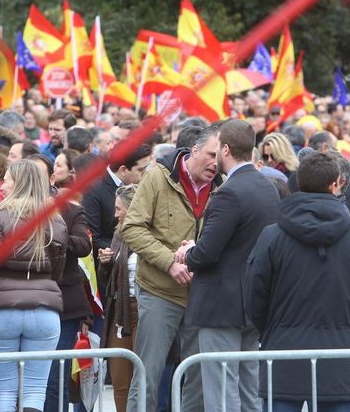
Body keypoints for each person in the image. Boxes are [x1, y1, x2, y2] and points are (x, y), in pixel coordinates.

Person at [245, 152, 350, 412]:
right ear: (335, 184)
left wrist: (272, 329)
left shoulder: (272, 236)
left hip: (283, 356)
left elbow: (254, 296)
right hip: (338, 357)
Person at [174, 119, 280, 412]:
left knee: (221, 390)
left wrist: (188, 253)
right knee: (249, 389)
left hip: (222, 305)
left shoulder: (229, 192)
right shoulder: (267, 187)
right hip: (254, 300)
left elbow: (208, 251)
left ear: (225, 149)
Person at [123, 125, 223, 412]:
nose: (215, 163)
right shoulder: (158, 177)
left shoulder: (223, 186)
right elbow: (132, 227)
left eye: (220, 156)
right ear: (194, 151)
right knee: (148, 374)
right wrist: (169, 261)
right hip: (159, 292)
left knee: (198, 377)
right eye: (210, 154)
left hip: (201, 294)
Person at [0, 160, 69, 412]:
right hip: (44, 310)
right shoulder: (56, 220)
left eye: (6, 179)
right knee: (35, 389)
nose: (3, 185)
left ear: (18, 183)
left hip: (1, 310)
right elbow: (57, 270)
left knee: (4, 387)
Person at [45, 163, 94, 412]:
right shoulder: (10, 213)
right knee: (26, 378)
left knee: (56, 376)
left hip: (64, 305)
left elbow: (83, 245)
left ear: (51, 178)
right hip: (24, 302)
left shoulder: (71, 211)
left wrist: (52, 235)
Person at [97, 184, 139, 412]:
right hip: (120, 314)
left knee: (144, 379)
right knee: (120, 380)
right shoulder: (118, 234)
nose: (115, 214)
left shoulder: (150, 234)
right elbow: (109, 283)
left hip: (144, 311)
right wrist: (106, 264)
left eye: (119, 209)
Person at [83, 144, 152, 260]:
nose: (145, 173)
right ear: (123, 170)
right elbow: (94, 238)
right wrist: (128, 251)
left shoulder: (142, 183)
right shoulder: (93, 189)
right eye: (141, 170)